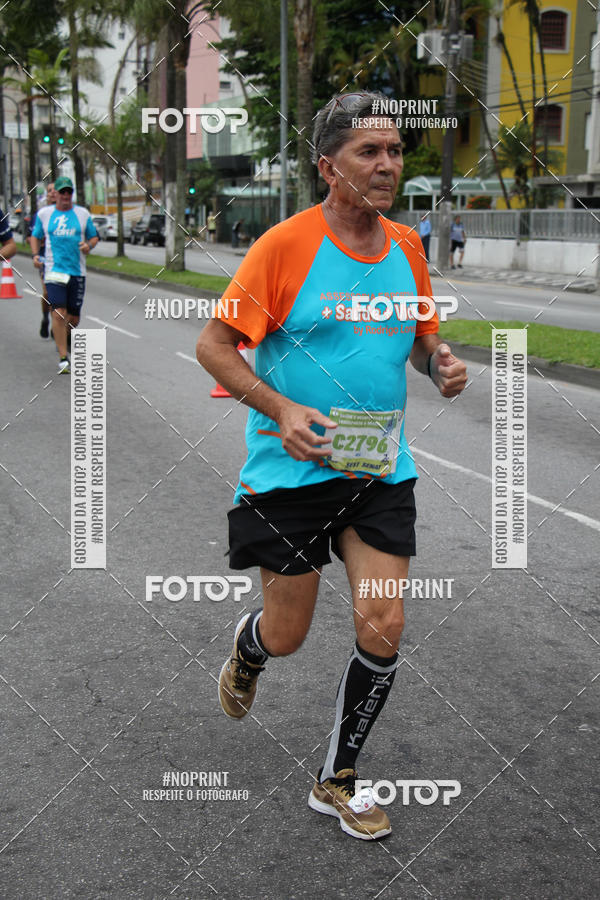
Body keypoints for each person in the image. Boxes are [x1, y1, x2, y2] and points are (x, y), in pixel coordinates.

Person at [196, 91, 467, 841]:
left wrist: (439, 361)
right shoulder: (285, 246)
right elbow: (215, 346)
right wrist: (281, 410)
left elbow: (420, 338)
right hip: (291, 473)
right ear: (328, 166)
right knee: (289, 635)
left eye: (394, 151)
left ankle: (338, 777)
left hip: (380, 469)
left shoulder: (408, 247)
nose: (387, 165)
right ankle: (250, 648)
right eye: (368, 153)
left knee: (384, 620)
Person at [30, 176, 99, 374]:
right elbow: (35, 236)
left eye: (69, 192)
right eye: (63, 192)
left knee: (74, 318)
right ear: (56, 195)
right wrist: (35, 255)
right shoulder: (44, 214)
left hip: (77, 271)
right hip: (54, 271)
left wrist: (88, 245)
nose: (66, 196)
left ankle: (62, 334)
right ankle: (63, 358)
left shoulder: (82, 214)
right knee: (59, 312)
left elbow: (94, 236)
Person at [26, 181, 56, 338]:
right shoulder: (40, 215)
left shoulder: (68, 213)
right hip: (45, 256)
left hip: (61, 258)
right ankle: (46, 318)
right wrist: (36, 252)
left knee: (60, 294)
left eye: (55, 190)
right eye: (50, 190)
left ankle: (56, 324)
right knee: (48, 291)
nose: (52, 193)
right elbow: (30, 238)